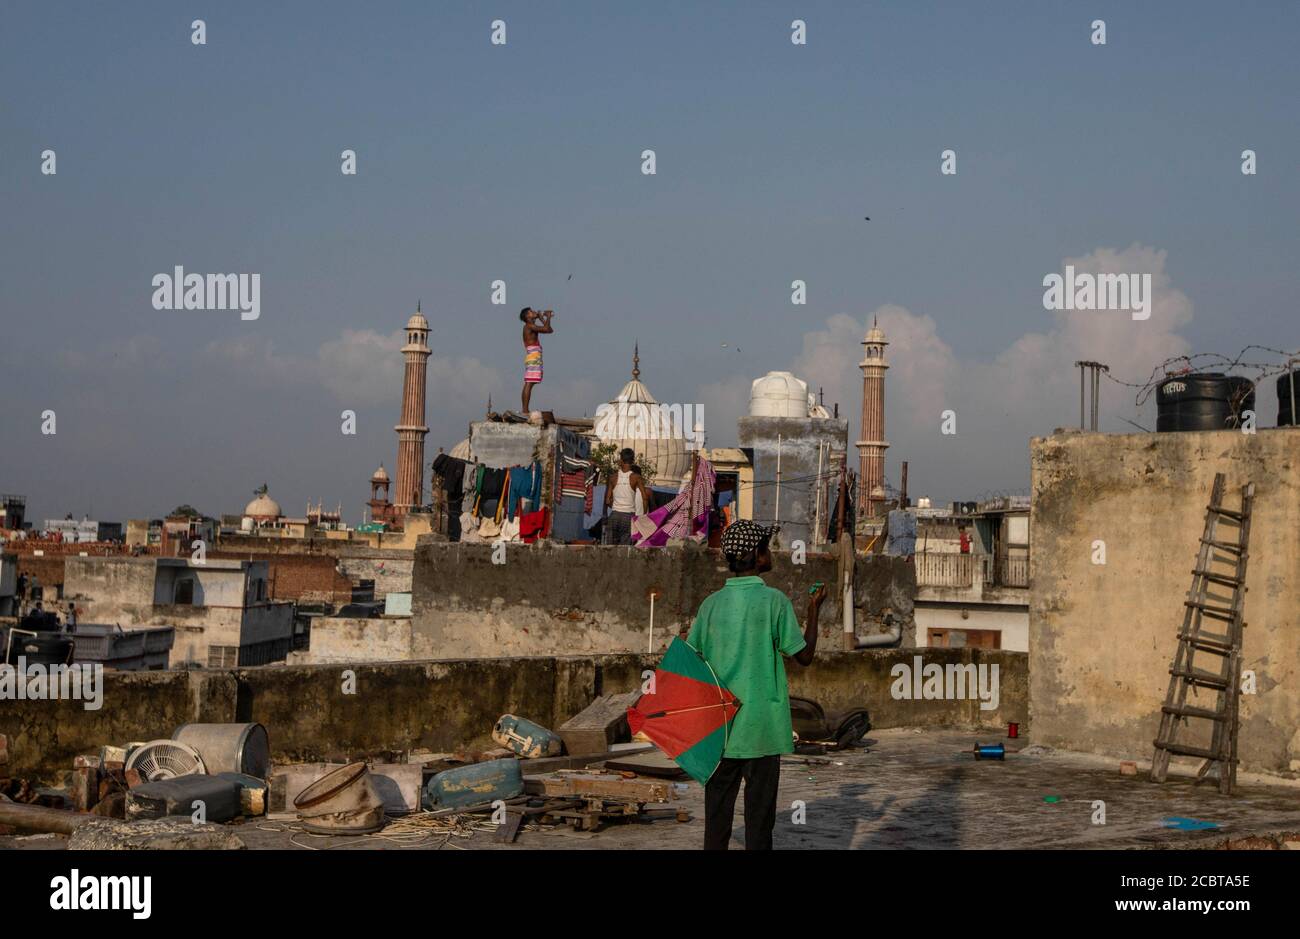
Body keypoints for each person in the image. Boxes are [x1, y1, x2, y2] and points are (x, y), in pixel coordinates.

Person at [687, 520, 825, 850]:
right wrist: (814, 609)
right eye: (766, 547)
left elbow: (691, 663)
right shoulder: (773, 601)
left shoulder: (710, 606)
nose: (770, 553)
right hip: (761, 727)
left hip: (719, 729)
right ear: (755, 556)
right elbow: (803, 656)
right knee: (759, 823)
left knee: (716, 822)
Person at [604, 448, 653, 545]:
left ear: (620, 460)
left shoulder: (612, 477)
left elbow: (607, 500)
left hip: (614, 515)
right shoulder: (636, 477)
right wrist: (643, 516)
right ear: (633, 461)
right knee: (625, 549)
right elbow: (645, 498)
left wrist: (616, 507)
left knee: (609, 548)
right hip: (628, 517)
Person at [520, 307, 554, 413]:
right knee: (529, 382)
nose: (534, 312)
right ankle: (525, 410)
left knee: (530, 382)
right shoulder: (529, 326)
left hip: (535, 354)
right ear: (527, 316)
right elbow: (547, 329)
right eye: (531, 312)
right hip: (533, 355)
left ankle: (525, 409)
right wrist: (547, 317)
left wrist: (542, 318)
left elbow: (549, 330)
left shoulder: (530, 326)